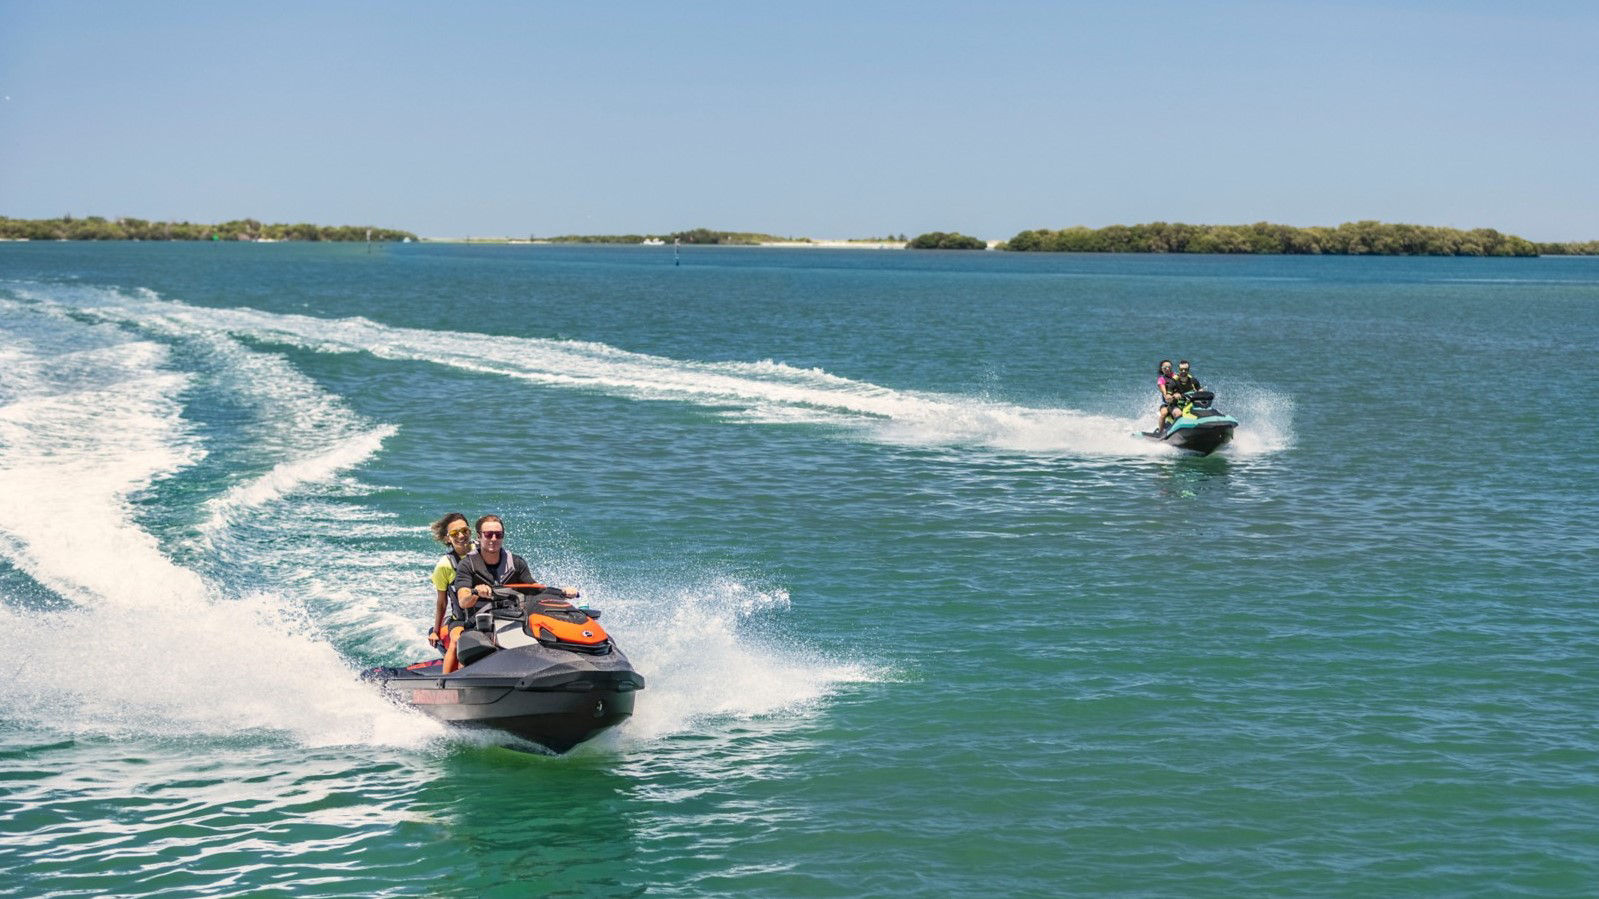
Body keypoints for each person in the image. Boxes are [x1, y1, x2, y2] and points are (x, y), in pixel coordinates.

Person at [445, 515, 576, 673]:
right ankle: (458, 681)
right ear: (479, 536)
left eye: (498, 535)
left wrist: (562, 592)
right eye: (488, 534)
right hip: (479, 623)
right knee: (469, 647)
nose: (494, 539)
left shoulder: (516, 563)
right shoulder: (467, 565)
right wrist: (475, 592)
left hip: (513, 619)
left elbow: (535, 590)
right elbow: (463, 600)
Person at [426, 511, 474, 655]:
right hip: (462, 620)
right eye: (454, 533)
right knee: (458, 643)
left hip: (489, 614)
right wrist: (435, 631)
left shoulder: (484, 551)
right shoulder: (444, 566)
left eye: (464, 530)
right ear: (447, 538)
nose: (461, 536)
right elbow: (442, 603)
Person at [1154, 359, 1182, 433]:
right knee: (1164, 413)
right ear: (1161, 369)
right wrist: (1167, 395)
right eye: (1165, 367)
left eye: (1169, 367)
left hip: (1179, 402)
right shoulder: (1161, 379)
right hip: (1167, 404)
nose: (1167, 369)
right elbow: (1163, 390)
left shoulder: (1177, 377)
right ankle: (1160, 432)